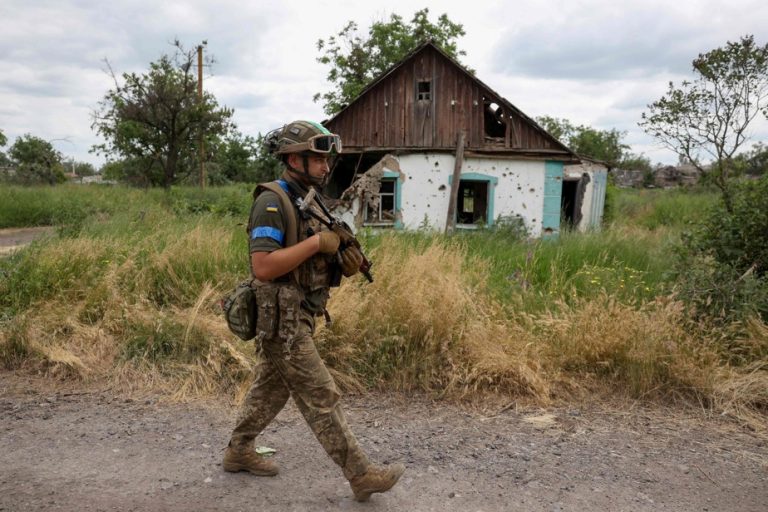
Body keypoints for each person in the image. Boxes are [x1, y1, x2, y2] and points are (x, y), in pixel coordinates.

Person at [222, 120, 405, 502]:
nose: (326, 166)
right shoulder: (272, 202)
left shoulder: (311, 198)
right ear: (293, 158)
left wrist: (342, 258)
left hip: (300, 312)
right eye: (317, 159)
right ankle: (361, 474)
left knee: (270, 391)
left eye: (326, 159)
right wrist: (318, 244)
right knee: (321, 395)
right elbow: (264, 267)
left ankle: (238, 450)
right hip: (282, 319)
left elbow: (319, 252)